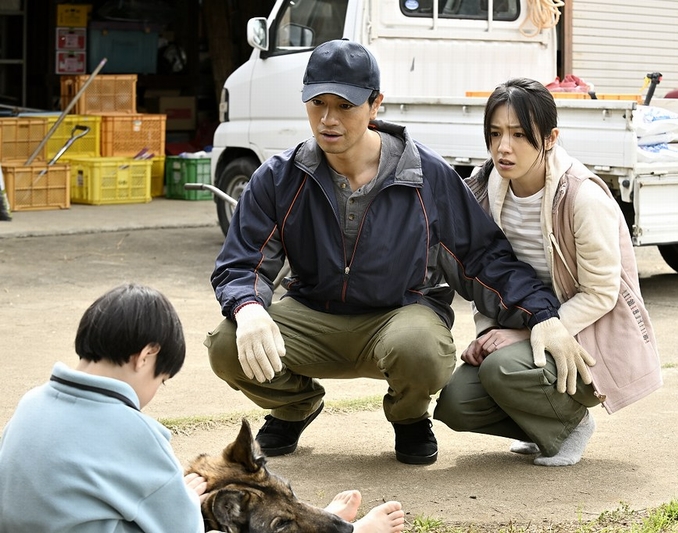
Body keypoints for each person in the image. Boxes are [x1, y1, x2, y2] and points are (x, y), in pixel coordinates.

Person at [205, 40, 594, 466]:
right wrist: (248, 307)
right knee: (226, 343)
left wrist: (542, 315)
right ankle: (294, 406)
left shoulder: (426, 176)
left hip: (400, 317)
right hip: (313, 316)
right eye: (317, 103)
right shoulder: (279, 177)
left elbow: (483, 258)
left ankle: (409, 417)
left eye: (345, 106)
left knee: (420, 348)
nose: (328, 119)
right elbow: (241, 261)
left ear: (375, 105)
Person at [434, 78, 661, 466]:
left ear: (551, 137)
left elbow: (601, 294)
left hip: (582, 339)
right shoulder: (484, 190)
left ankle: (571, 425)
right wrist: (488, 334)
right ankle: (540, 426)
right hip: (523, 327)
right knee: (457, 403)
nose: (504, 147)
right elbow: (485, 275)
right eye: (495, 133)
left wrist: (527, 332)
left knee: (503, 368)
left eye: (519, 134)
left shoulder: (582, 197)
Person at [0, 283, 207, 532]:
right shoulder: (136, 433)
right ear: (146, 355)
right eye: (161, 380)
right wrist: (189, 500)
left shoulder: (30, 403)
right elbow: (183, 528)